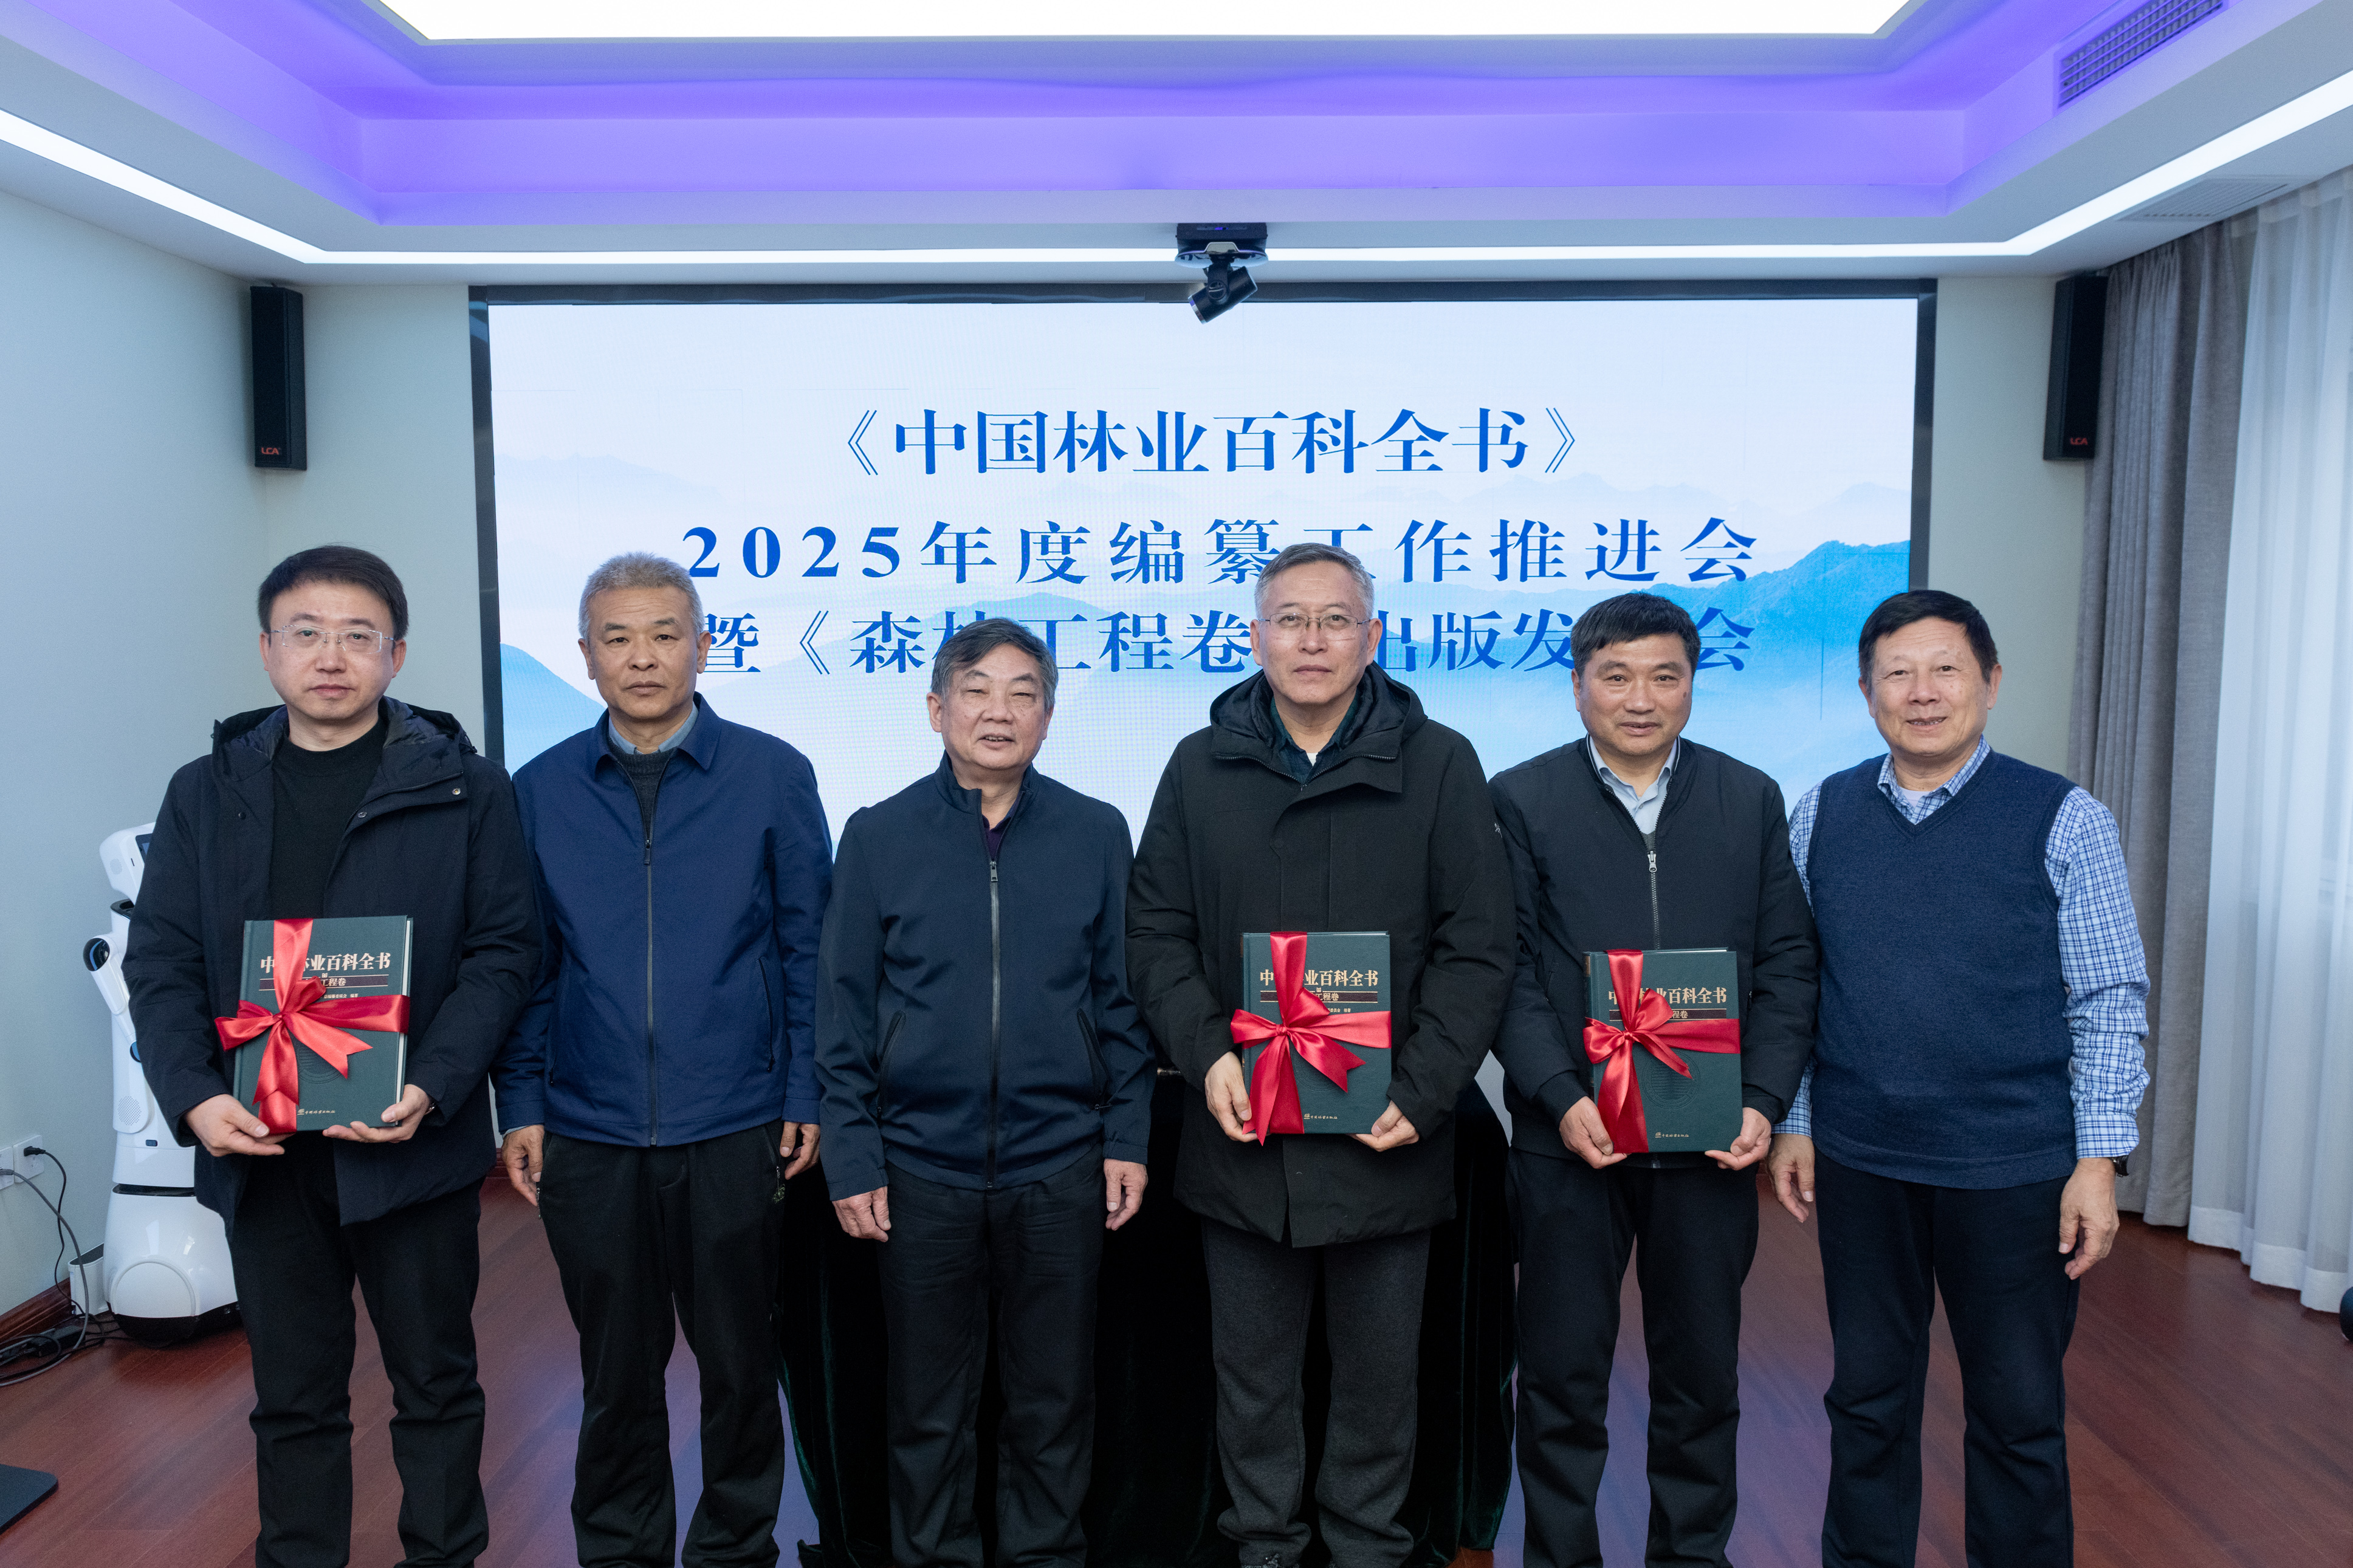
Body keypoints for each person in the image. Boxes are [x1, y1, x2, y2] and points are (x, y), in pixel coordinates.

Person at [125, 545, 538, 1568]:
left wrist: (434, 1083)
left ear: (397, 654)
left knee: (436, 1383)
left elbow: (504, 951)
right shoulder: (205, 791)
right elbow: (161, 960)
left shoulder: (467, 789)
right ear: (267, 648)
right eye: (306, 633)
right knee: (293, 1395)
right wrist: (193, 1097)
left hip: (409, 1140)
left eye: (359, 635)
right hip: (262, 1148)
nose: (331, 656)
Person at [1127, 543, 1514, 1568]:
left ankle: (1367, 1546)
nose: (1312, 640)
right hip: (1242, 1125)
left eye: (1335, 619)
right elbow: (1155, 932)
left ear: (1372, 637)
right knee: (1251, 1375)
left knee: (1380, 1379)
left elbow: (1481, 944)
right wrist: (1207, 1053)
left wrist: (1423, 1089)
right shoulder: (1198, 765)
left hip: (1388, 1127)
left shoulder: (1441, 762)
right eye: (1290, 619)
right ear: (1255, 637)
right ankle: (1263, 1544)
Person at [1765, 589, 2149, 1568]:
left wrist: (2099, 1159)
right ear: (1867, 693)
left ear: (1991, 681)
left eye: (1945, 669)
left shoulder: (2064, 817)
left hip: (2016, 1166)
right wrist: (1798, 1117)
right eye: (1897, 673)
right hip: (1863, 1159)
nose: (1922, 691)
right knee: (1867, 1402)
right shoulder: (1821, 814)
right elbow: (1800, 983)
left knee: (2018, 1412)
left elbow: (2109, 996)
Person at [493, 552, 833, 1568]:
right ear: (586, 654)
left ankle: (735, 1547)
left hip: (735, 1118)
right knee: (616, 1371)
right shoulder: (540, 790)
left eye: (664, 634)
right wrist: (522, 1101)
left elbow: (808, 949)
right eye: (618, 637)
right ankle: (622, 1548)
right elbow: (527, 965)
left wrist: (804, 1086)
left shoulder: (772, 773)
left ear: (703, 645)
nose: (642, 657)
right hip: (589, 1126)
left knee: (740, 1364)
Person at [1487, 591, 1817, 1568]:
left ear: (1692, 684)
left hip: (1711, 1138)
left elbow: (1788, 963)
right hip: (1568, 1142)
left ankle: (1691, 1557)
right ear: (1578, 684)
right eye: (1618, 676)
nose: (1642, 698)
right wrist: (1560, 1094)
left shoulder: (1748, 797)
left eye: (1665, 676)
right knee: (1560, 1378)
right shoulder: (1519, 797)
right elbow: (1504, 968)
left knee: (1701, 1379)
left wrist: (1762, 1099)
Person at [817, 617, 1155, 1568]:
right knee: (929, 1402)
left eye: (1022, 693)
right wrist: (854, 1152)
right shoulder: (877, 835)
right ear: (937, 708)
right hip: (920, 1164)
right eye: (976, 690)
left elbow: (1120, 1001)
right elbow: (842, 1011)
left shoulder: (1096, 831)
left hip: (1061, 1161)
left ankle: (1044, 1555)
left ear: (1048, 715)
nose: (998, 711)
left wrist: (1126, 1135)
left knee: (1054, 1397)